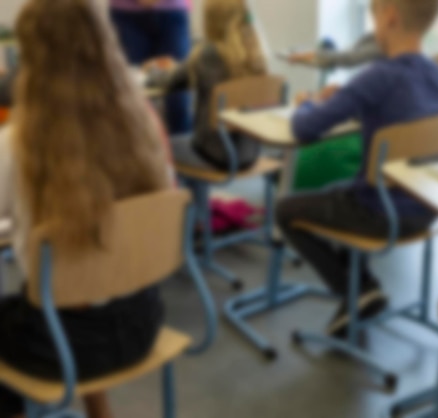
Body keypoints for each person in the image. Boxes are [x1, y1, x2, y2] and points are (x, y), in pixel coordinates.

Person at [0, 0, 173, 417]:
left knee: (42, 297)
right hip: (144, 320)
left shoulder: (17, 143)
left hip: (62, 345)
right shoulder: (142, 122)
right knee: (80, 278)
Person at [277, 0, 438, 338]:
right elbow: (402, 120)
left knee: (284, 210)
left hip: (380, 215)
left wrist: (308, 103)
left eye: (373, 16)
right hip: (426, 209)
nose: (372, 28)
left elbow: (304, 130)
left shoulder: (377, 76)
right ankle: (362, 288)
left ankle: (355, 291)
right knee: (340, 191)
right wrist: (350, 100)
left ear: (391, 18)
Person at [146, 0, 267, 171]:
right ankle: (196, 197)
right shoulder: (256, 54)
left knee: (160, 147)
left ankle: (189, 198)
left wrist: (152, 70)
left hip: (215, 154)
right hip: (251, 153)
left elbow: (169, 81)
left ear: (212, 20)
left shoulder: (208, 55)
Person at [109, 0, 192, 135]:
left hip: (172, 12)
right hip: (125, 14)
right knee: (131, 101)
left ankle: (181, 152)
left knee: (179, 101)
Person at [288, 33, 383, 69]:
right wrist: (302, 59)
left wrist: (313, 54)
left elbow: (349, 58)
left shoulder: (382, 45)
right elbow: (348, 53)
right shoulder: (371, 38)